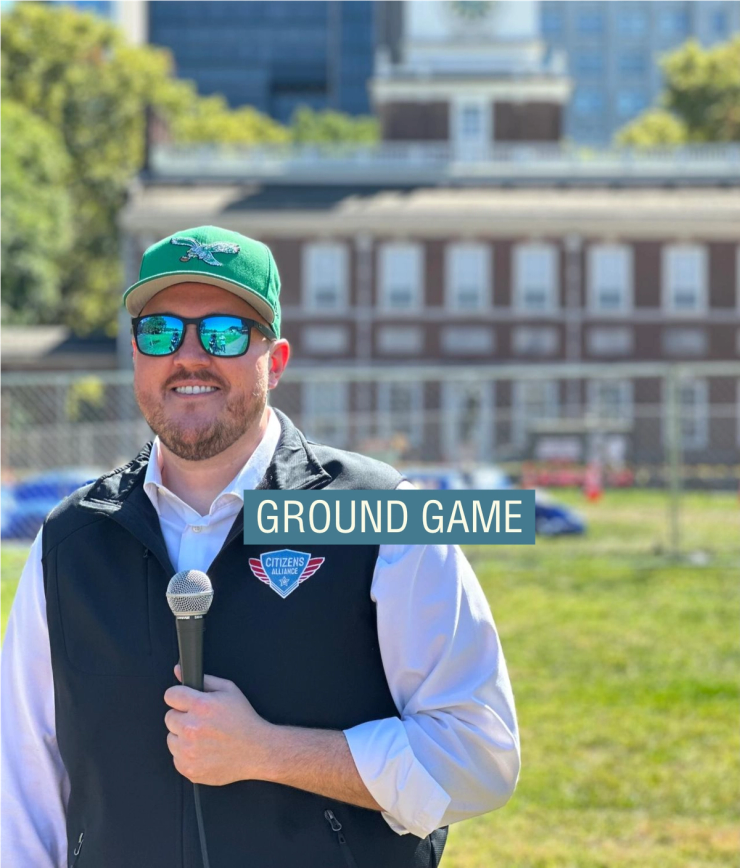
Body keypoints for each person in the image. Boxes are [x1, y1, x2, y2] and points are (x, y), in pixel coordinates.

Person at [0, 226, 520, 868]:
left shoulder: (385, 515)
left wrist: (269, 752)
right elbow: (22, 791)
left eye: (223, 332)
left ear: (274, 360)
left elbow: (479, 755)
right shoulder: (71, 541)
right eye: (160, 332)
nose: (188, 357)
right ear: (136, 357)